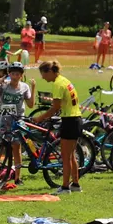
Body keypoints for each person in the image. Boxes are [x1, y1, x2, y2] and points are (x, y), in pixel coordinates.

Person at [33, 60, 82, 194]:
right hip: (76, 119)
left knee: (65, 157)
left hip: (70, 121)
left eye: (43, 74)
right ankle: (76, 184)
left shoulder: (57, 84)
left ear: (50, 71)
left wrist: (40, 118)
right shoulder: (64, 80)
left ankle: (65, 187)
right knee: (71, 155)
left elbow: (55, 107)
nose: (42, 77)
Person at [0, 60, 32, 182]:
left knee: (17, 148)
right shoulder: (4, 86)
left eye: (18, 74)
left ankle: (18, 176)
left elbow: (31, 104)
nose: (15, 76)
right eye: (12, 74)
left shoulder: (24, 87)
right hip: (4, 120)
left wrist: (33, 87)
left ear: (21, 75)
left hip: (18, 121)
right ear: (9, 74)